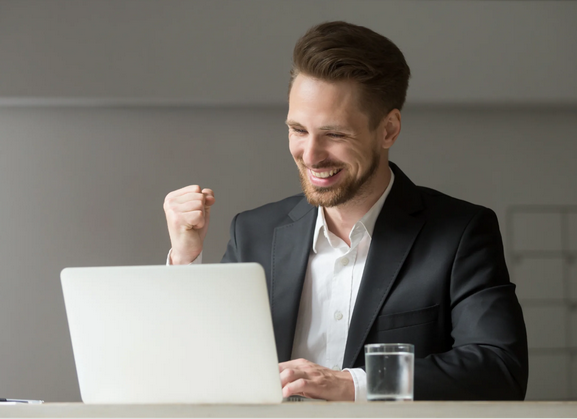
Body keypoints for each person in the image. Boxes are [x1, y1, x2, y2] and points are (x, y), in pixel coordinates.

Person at [163, 21, 528, 401]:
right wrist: (186, 260)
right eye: (298, 129)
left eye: (334, 134)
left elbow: (500, 368)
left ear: (388, 130)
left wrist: (352, 385)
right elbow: (201, 365)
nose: (310, 155)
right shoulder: (253, 232)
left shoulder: (460, 233)